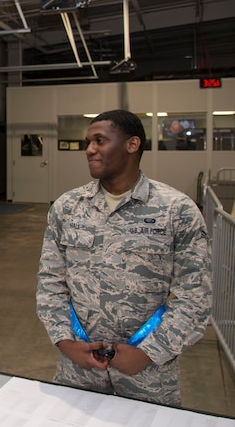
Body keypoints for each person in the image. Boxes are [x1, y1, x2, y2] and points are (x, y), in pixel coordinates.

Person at [36, 109, 212, 406]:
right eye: (88, 142)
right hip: (78, 370)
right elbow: (50, 282)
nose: (89, 149)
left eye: (100, 140)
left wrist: (149, 353)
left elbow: (194, 296)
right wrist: (65, 342)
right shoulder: (68, 207)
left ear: (132, 145)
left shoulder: (176, 211)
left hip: (149, 376)